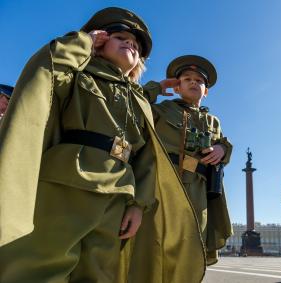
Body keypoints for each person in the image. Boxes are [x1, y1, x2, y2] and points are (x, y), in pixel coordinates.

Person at [0, 7, 204, 283]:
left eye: (135, 45)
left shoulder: (138, 99)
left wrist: (137, 205)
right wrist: (82, 41)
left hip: (118, 193)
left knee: (100, 275)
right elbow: (47, 68)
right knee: (41, 267)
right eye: (119, 37)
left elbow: (146, 158)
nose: (129, 43)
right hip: (69, 181)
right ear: (99, 41)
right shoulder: (76, 75)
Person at [133, 55, 232, 268]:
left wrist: (222, 148)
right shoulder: (162, 110)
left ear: (206, 91)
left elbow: (222, 146)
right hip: (165, 184)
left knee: (193, 251)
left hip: (200, 191)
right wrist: (157, 87)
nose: (193, 82)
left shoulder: (213, 121)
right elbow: (132, 104)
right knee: (157, 247)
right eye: (186, 79)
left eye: (199, 80)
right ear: (177, 87)